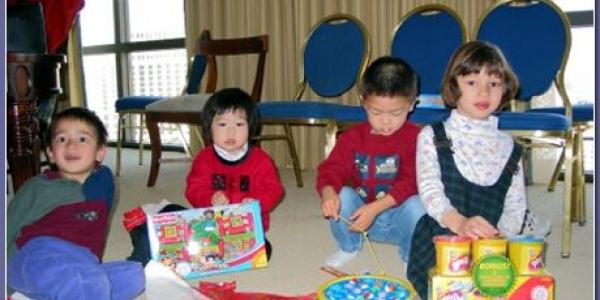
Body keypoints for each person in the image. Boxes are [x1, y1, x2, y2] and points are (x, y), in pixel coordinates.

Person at [408, 41, 550, 298]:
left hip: (491, 249)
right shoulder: (432, 135)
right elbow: (430, 193)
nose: (483, 92)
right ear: (454, 86)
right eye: (472, 82)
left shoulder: (511, 148)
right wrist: (460, 223)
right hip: (444, 241)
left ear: (504, 88)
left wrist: (496, 246)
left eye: (494, 84)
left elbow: (515, 208)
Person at [7, 107, 145, 299]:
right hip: (37, 255)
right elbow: (9, 224)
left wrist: (93, 260)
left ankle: (77, 286)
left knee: (135, 276)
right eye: (62, 139)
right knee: (84, 282)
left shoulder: (104, 182)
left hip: (80, 259)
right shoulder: (39, 186)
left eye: (82, 139)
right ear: (51, 153)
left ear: (100, 152)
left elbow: (98, 225)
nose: (71, 145)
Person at [316, 56, 426, 268]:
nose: (385, 121)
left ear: (412, 104)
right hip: (359, 222)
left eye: (396, 113)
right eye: (376, 112)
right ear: (363, 102)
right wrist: (328, 192)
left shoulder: (417, 138)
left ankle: (410, 254)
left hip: (399, 220)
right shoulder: (352, 138)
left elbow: (412, 181)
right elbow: (332, 169)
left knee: (418, 205)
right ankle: (348, 247)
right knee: (342, 195)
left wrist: (376, 209)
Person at [185, 88, 284, 260]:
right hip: (211, 224)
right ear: (209, 127)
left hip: (247, 227)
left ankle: (230, 252)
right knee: (187, 243)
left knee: (262, 252)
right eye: (222, 125)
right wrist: (210, 198)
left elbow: (274, 190)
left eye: (239, 124)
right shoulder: (204, 159)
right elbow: (193, 189)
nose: (231, 133)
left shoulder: (260, 160)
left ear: (250, 127)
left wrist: (257, 203)